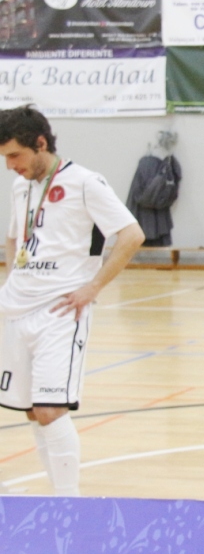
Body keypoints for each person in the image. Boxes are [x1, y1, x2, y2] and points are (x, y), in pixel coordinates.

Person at [0, 105, 144, 496]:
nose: (10, 165)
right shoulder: (20, 186)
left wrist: (92, 288)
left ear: (40, 143)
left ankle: (69, 503)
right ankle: (55, 497)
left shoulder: (84, 182)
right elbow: (15, 238)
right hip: (15, 311)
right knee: (32, 409)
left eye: (15, 155)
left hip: (60, 312)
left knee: (50, 408)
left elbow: (131, 235)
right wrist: (11, 279)